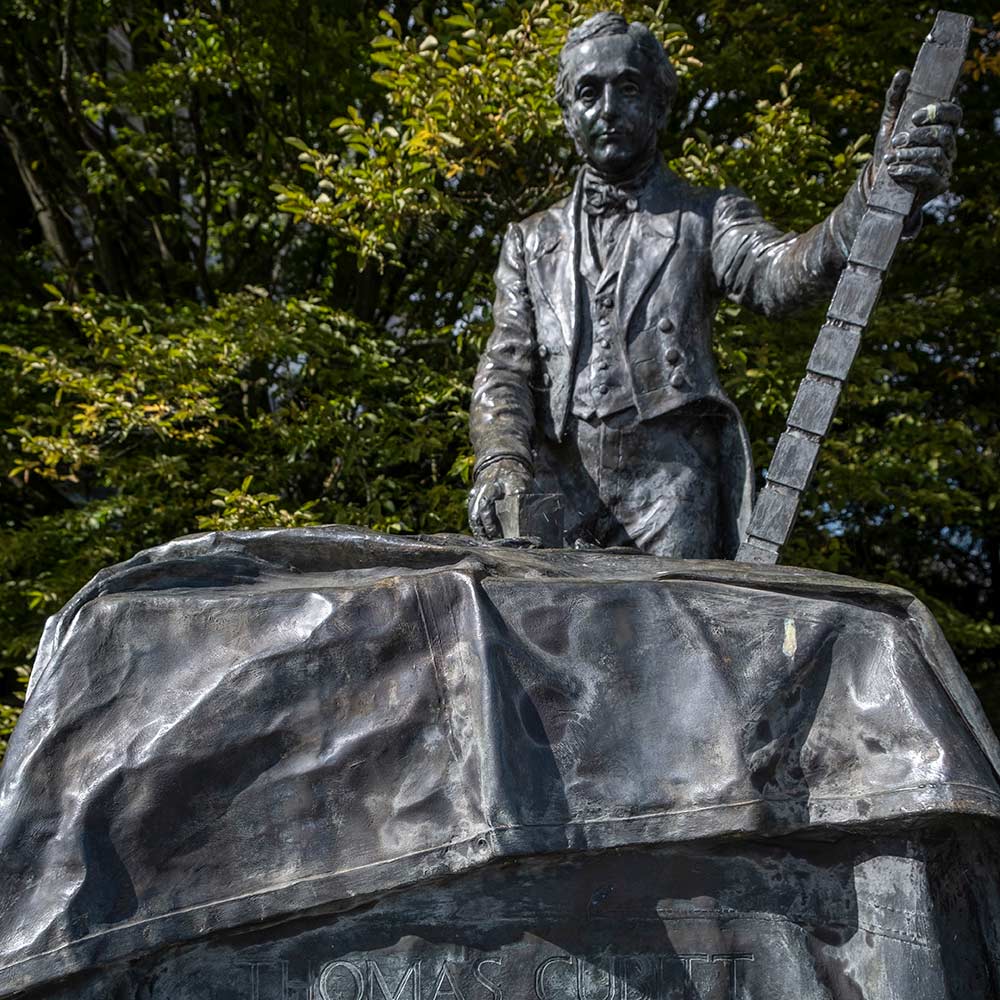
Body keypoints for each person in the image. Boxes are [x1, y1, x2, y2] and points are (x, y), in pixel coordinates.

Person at [467, 12, 960, 558]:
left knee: (676, 641)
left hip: (673, 495)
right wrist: (500, 461)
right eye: (588, 92)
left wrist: (874, 195)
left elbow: (781, 274)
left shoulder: (705, 216)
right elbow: (505, 368)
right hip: (554, 496)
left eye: (628, 88)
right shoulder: (530, 240)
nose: (607, 110)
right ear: (566, 113)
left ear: (659, 103)